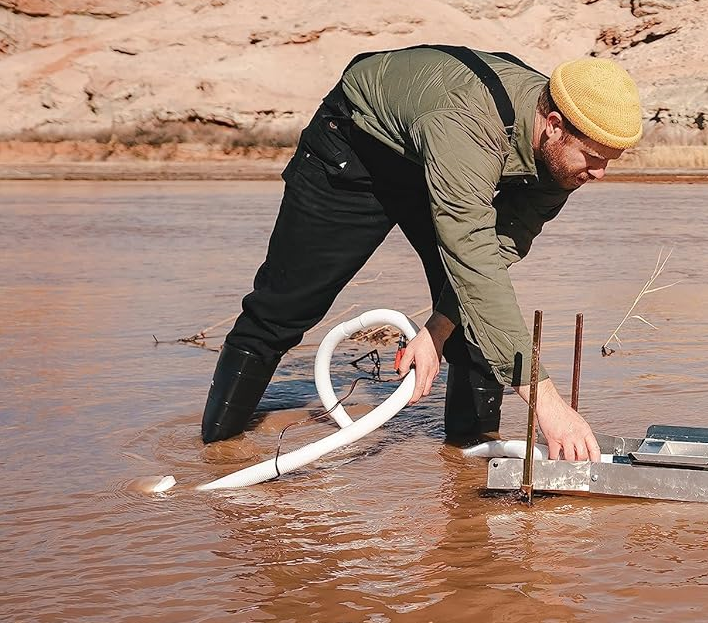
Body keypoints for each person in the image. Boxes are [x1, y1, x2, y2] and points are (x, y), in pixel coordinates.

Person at [200, 45, 642, 461]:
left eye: (611, 160)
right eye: (592, 157)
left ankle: (470, 467)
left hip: (443, 155)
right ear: (554, 124)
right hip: (355, 151)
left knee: (473, 329)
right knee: (284, 308)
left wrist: (436, 329)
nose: (600, 173)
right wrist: (547, 404)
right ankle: (216, 449)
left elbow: (499, 250)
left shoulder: (561, 160)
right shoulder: (467, 123)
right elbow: (472, 261)